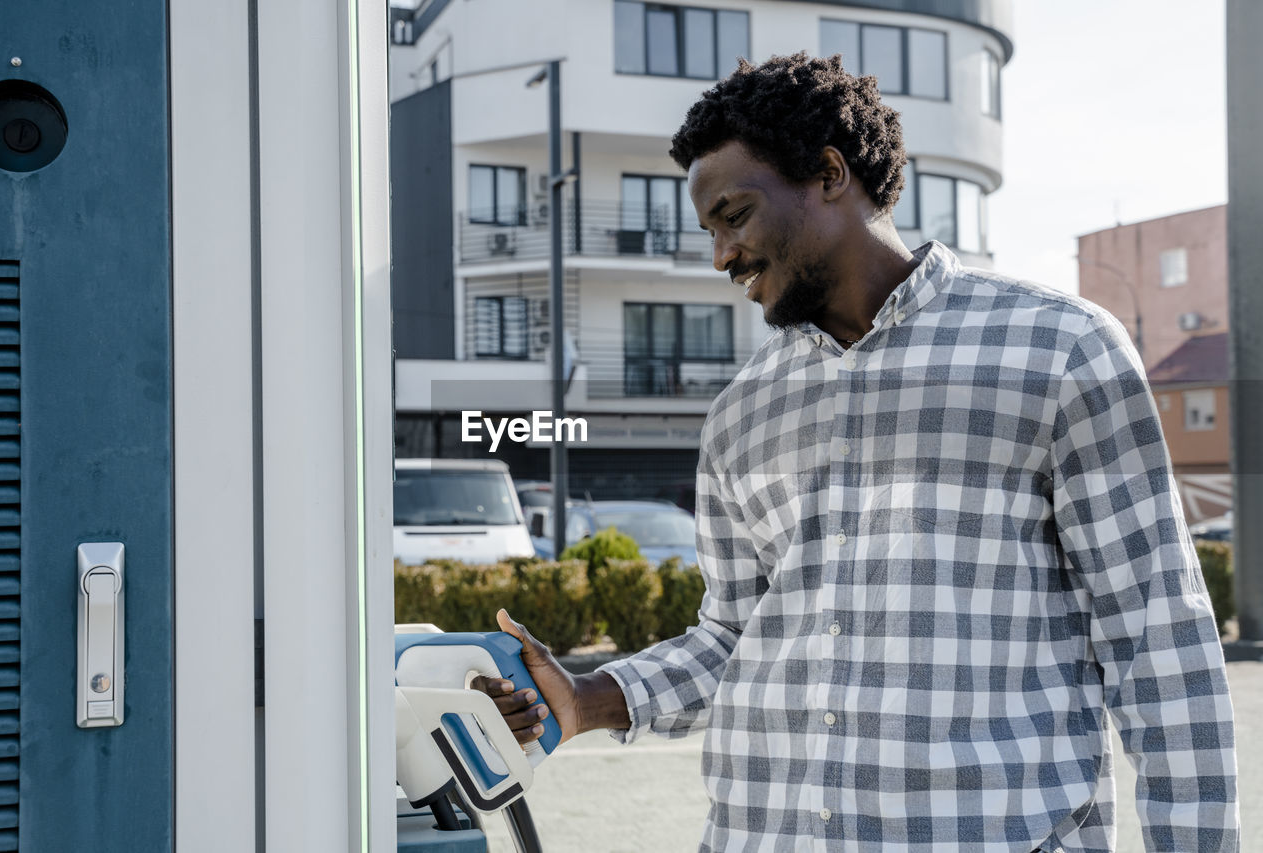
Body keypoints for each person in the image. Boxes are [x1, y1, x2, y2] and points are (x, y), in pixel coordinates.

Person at [476, 53, 1239, 851]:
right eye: (709, 231)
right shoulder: (742, 410)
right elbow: (733, 635)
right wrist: (591, 695)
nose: (720, 256)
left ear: (830, 173)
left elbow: (1158, 642)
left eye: (734, 215)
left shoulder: (1060, 350)